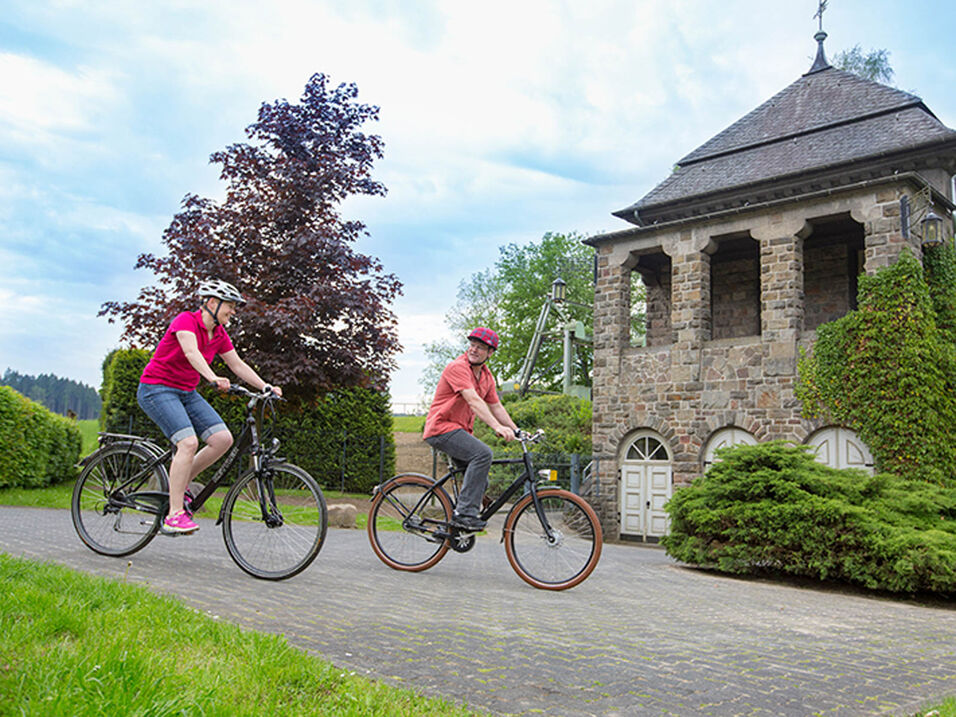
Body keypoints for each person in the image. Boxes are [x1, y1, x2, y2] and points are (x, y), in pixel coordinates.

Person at [137, 279, 282, 535]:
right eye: (230, 306)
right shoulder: (185, 321)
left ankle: (178, 488)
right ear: (212, 303)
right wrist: (212, 377)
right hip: (157, 388)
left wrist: (265, 387)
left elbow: (237, 365)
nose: (233, 312)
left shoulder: (220, 334)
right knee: (188, 443)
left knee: (222, 439)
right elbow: (191, 353)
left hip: (186, 392)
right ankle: (174, 514)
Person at [423, 327, 518, 531]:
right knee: (483, 454)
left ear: (490, 353)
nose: (474, 349)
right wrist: (497, 427)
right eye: (472, 345)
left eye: (480, 347)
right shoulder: (457, 367)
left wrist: (516, 430)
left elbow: (496, 406)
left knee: (480, 482)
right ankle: (464, 515)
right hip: (441, 428)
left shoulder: (486, 376)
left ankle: (449, 528)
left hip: (460, 431)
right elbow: (474, 400)